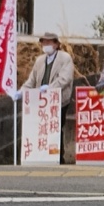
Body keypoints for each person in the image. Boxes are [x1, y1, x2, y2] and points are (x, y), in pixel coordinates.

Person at [17, 32, 74, 163]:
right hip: (41, 101)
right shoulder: (40, 60)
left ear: (56, 44)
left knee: (56, 128)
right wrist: (21, 91)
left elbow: (65, 78)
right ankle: (43, 156)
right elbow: (31, 80)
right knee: (42, 128)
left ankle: (59, 157)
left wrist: (50, 88)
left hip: (59, 100)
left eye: (49, 42)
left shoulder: (65, 58)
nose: (46, 45)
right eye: (44, 42)